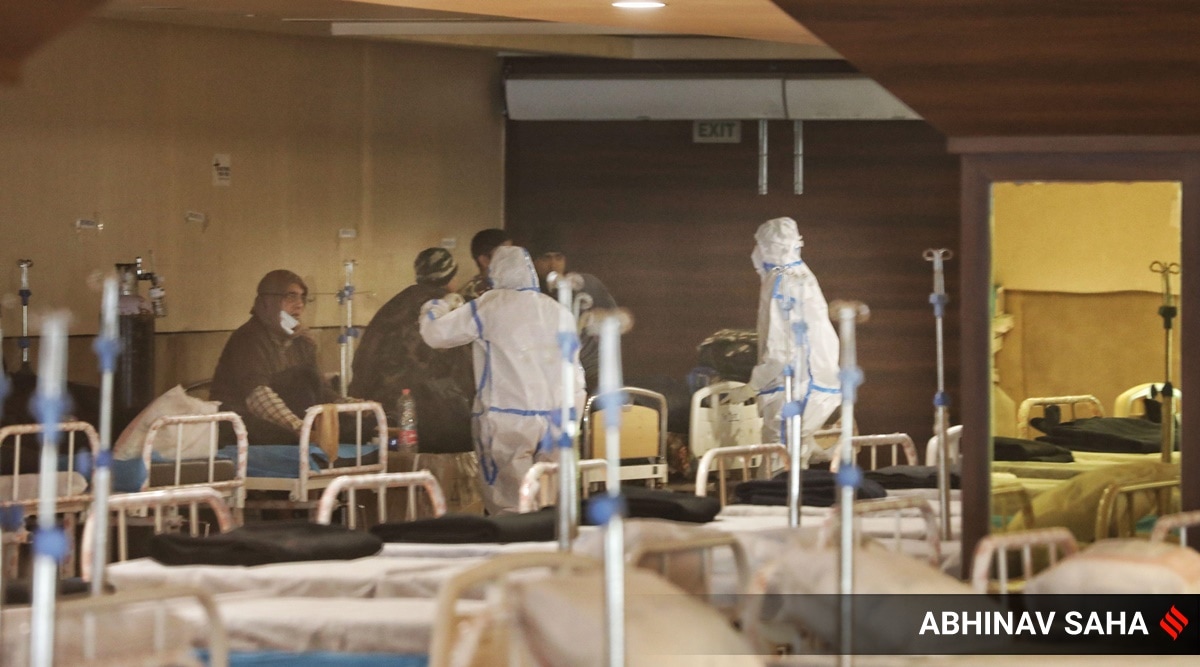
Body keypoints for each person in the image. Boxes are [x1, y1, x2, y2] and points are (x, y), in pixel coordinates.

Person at [420, 245, 585, 515]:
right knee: (550, 503)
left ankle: (514, 555)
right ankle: (553, 554)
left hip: (508, 417)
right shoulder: (559, 312)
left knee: (510, 506)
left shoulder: (490, 305)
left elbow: (435, 335)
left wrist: (437, 306)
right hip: (561, 416)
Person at [725, 217, 842, 463]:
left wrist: (753, 386)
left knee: (778, 459)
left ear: (769, 247)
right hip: (810, 380)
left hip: (793, 385)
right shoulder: (799, 274)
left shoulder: (782, 283)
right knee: (795, 452)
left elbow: (780, 348)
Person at [210, 269, 342, 445]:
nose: (299, 304)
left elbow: (319, 390)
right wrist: (300, 428)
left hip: (288, 420)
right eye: (291, 296)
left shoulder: (302, 342)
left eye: (302, 297)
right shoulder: (248, 338)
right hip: (241, 421)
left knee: (361, 426)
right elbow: (257, 396)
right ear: (269, 302)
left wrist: (353, 407)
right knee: (303, 377)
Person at [526, 229, 616, 394]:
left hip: (590, 370)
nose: (553, 265)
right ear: (533, 261)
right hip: (546, 376)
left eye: (559, 258)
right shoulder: (528, 295)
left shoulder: (587, 284)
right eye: (546, 258)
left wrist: (598, 319)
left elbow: (617, 319)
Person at [458, 228, 512, 302]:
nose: (512, 258)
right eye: (504, 255)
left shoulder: (506, 286)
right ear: (484, 260)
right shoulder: (472, 296)